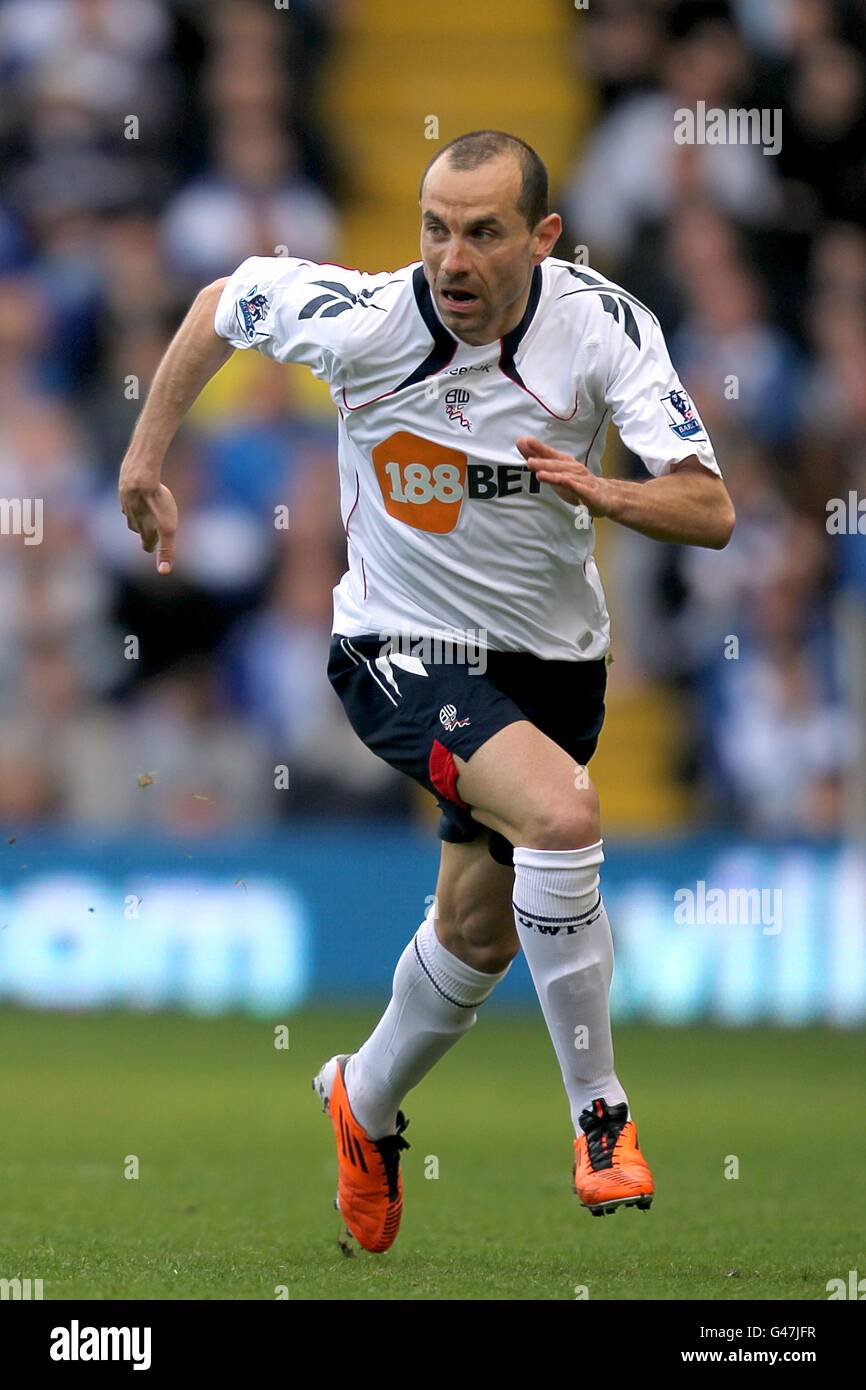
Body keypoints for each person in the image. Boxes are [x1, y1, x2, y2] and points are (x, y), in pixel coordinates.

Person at [119, 130, 736, 1255]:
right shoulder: (364, 319)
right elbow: (223, 299)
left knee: (475, 930)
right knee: (562, 815)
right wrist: (145, 456)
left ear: (540, 238)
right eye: (434, 228)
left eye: (483, 233)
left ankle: (361, 1102)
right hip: (397, 649)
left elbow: (708, 509)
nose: (452, 258)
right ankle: (599, 1119)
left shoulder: (600, 325)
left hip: (551, 667)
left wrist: (596, 488)